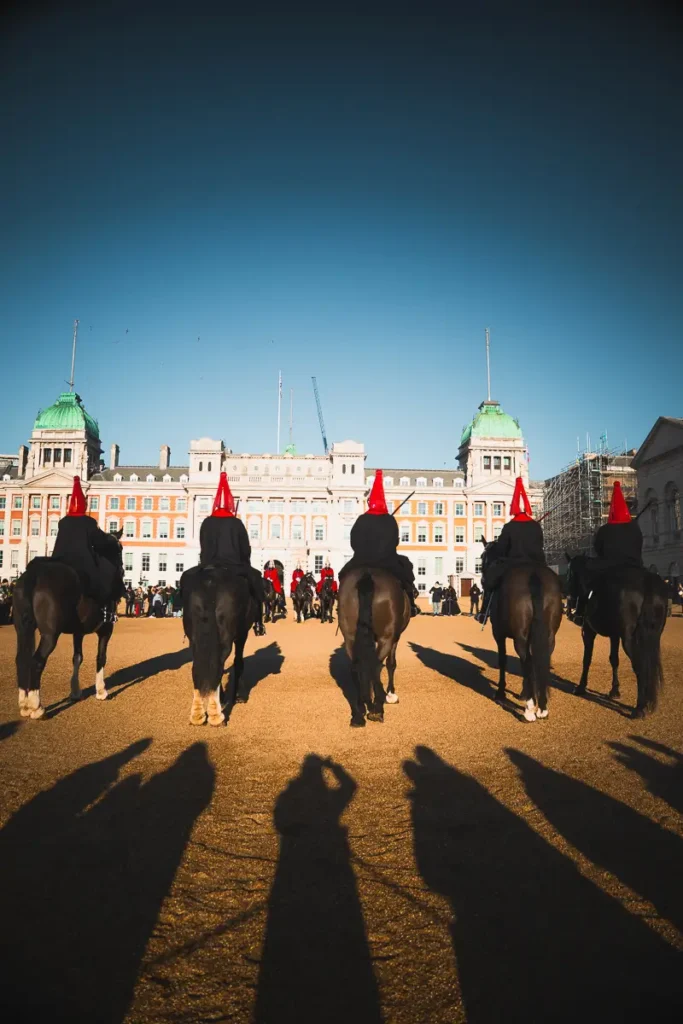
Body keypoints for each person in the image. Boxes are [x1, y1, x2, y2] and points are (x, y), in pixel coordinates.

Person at [181, 472, 266, 635]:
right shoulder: (236, 523)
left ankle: (187, 619)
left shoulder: (206, 522)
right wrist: (245, 563)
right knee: (256, 582)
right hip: (234, 566)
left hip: (208, 564)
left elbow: (203, 546)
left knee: (186, 579)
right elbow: (245, 549)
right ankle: (258, 622)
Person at [339, 470, 418, 615]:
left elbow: (354, 540)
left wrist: (363, 551)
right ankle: (411, 605)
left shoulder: (362, 519)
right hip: (387, 560)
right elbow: (395, 541)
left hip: (361, 560)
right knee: (406, 569)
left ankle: (341, 606)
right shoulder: (389, 520)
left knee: (342, 575)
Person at [571, 482, 643, 626]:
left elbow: (598, 549)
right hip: (635, 565)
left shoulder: (605, 529)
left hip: (609, 565)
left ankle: (580, 612)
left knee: (587, 582)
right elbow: (639, 546)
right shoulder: (635, 528)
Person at [51, 476, 123, 621]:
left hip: (58, 561)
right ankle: (106, 612)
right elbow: (99, 544)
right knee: (106, 575)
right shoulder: (89, 522)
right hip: (82, 561)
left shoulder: (63, 522)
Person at [479, 477, 546, 622]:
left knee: (490, 580)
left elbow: (502, 549)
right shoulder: (535, 525)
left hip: (514, 562)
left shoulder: (509, 526)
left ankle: (484, 613)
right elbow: (541, 544)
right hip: (537, 562)